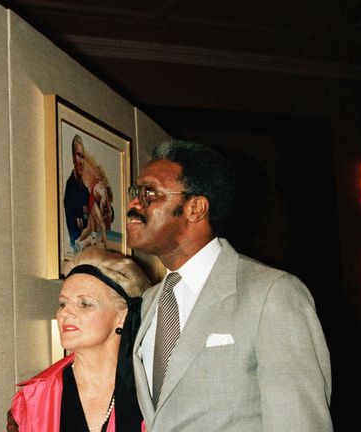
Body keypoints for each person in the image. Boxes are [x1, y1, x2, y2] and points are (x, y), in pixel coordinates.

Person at [127, 140, 333, 431]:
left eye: (149, 193)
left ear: (196, 208)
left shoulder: (272, 293)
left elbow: (300, 423)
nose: (134, 204)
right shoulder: (150, 301)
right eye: (135, 193)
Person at [9, 248, 150, 431]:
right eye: (63, 303)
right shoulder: (35, 398)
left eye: (85, 304)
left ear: (122, 316)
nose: (64, 313)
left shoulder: (154, 391)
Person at [63, 134, 90, 249]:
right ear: (73, 158)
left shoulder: (85, 188)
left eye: (82, 156)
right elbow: (74, 240)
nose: (80, 161)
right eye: (78, 155)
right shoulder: (70, 189)